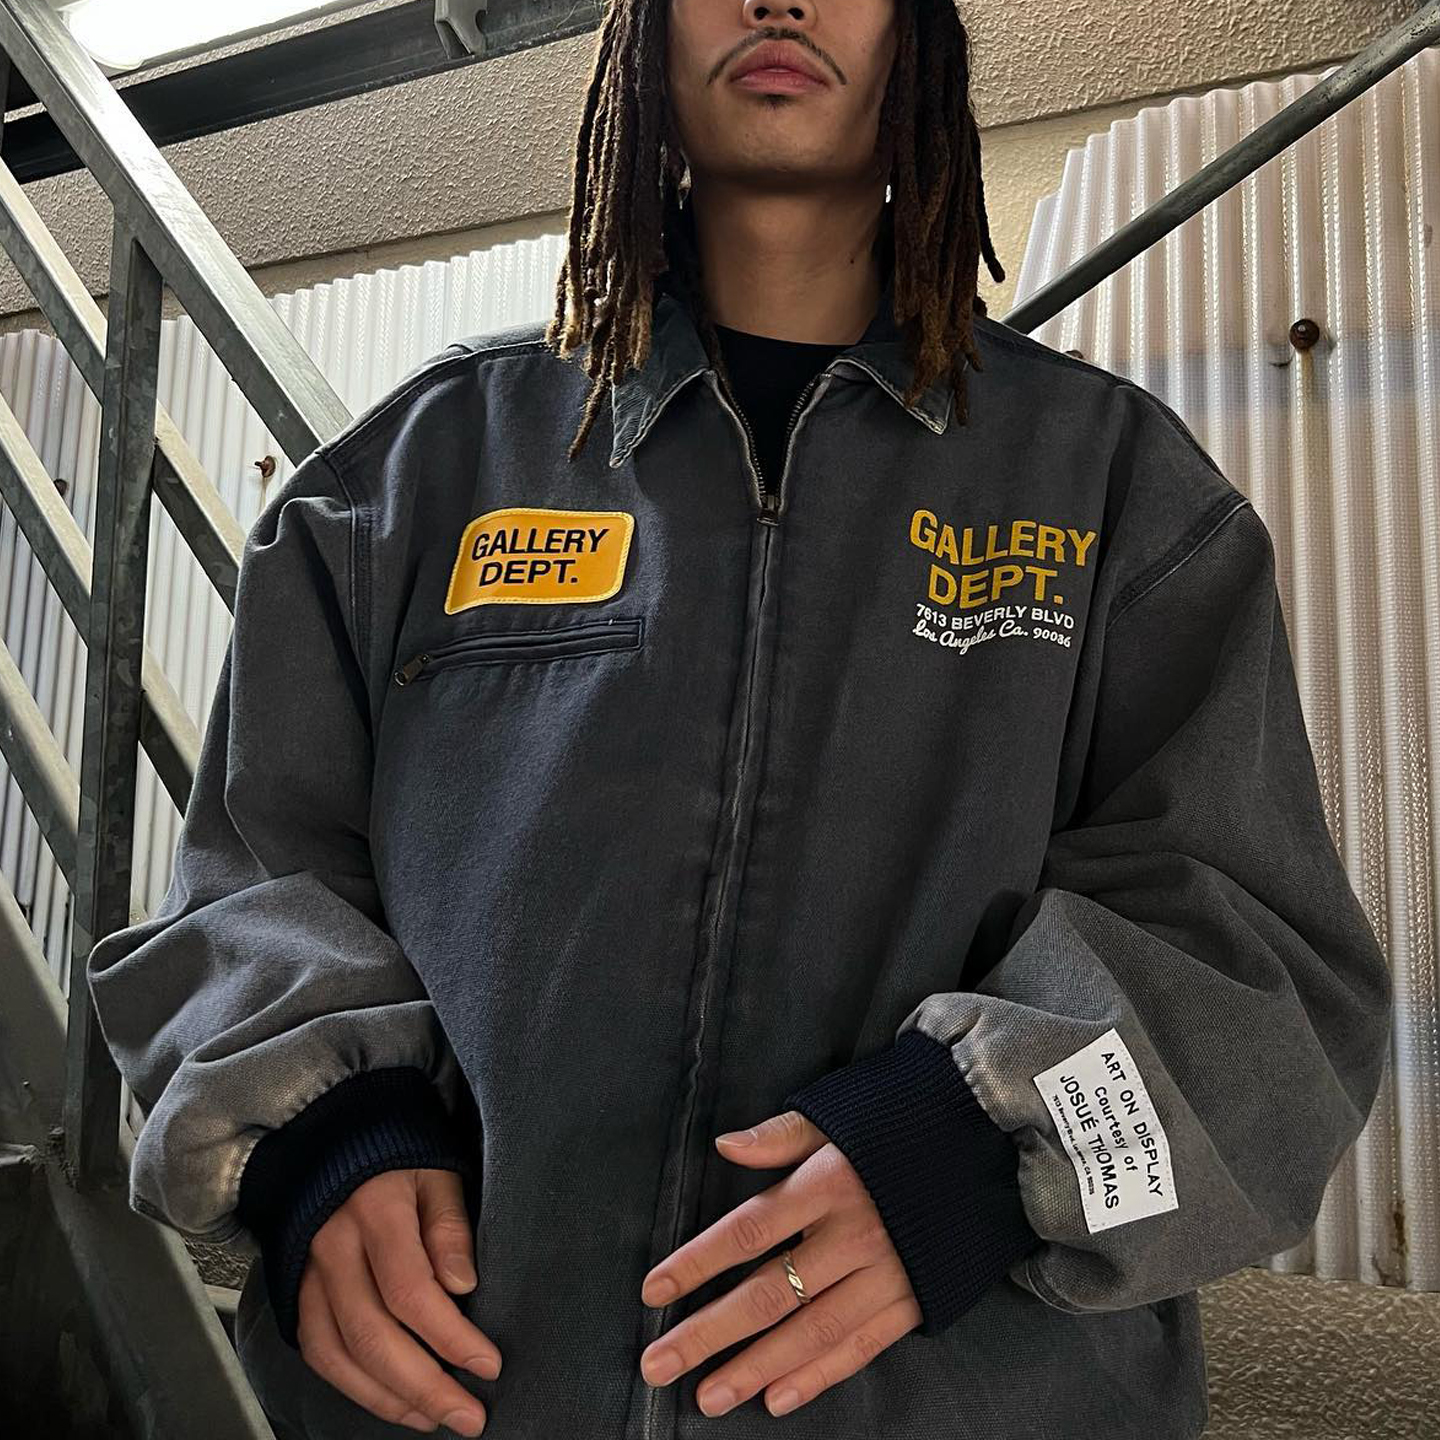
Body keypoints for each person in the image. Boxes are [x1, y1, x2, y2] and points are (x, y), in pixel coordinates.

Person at [85, 0, 1394, 1436]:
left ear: (921, 40)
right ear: (638, 38)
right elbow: (249, 887)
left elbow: (1260, 972)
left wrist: (966, 1151)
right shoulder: (407, 483)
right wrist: (323, 1135)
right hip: (461, 1399)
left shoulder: (1117, 494)